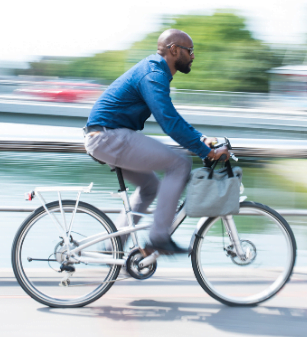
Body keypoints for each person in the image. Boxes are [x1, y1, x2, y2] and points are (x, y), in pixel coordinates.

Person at [83, 28, 229, 255]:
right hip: (108, 137)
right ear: (173, 50)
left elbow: (171, 116)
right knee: (180, 164)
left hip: (105, 137)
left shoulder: (154, 71)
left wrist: (201, 139)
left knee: (150, 187)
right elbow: (168, 121)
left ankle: (114, 248)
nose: (193, 56)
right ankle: (159, 237)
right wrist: (205, 152)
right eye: (189, 51)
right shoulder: (152, 73)